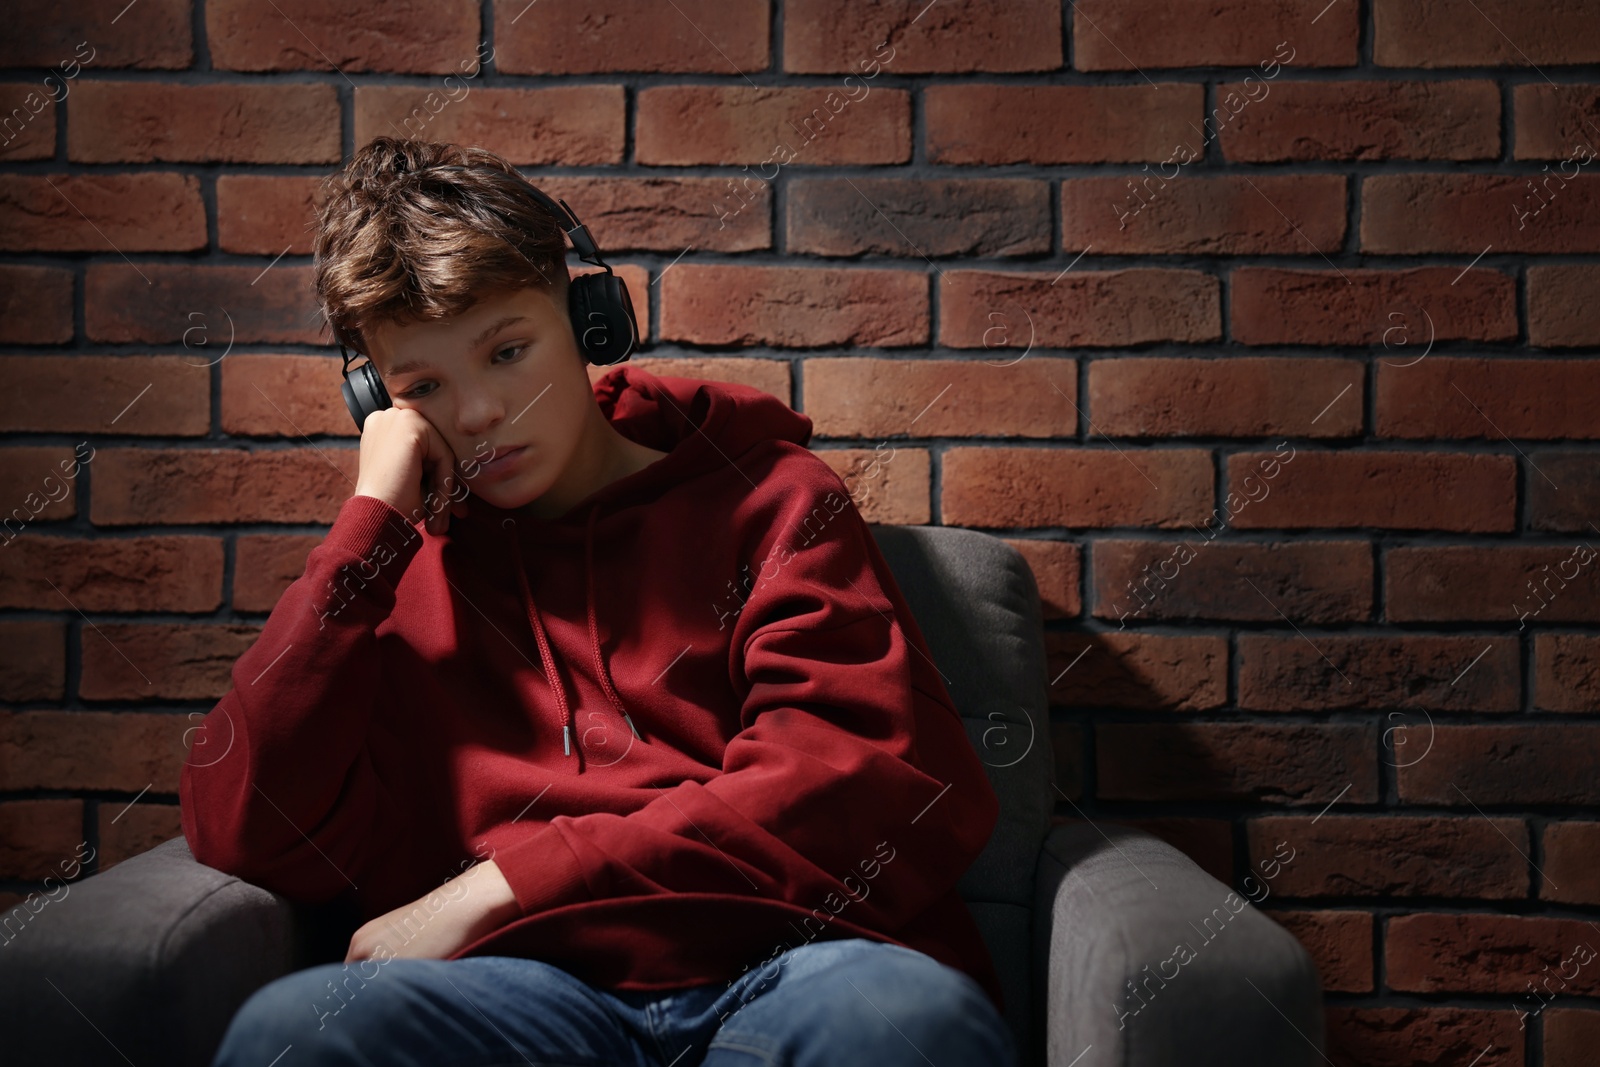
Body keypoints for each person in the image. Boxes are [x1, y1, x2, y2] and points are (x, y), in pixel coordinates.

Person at [180, 136, 1017, 1067]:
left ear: (590, 320)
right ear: (378, 399)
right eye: (424, 386)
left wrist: (505, 884)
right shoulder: (389, 575)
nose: (479, 413)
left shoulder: (775, 501)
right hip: (521, 993)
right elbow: (241, 822)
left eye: (508, 351)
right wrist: (367, 530)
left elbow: (853, 781)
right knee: (289, 1036)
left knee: (905, 1023)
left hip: (794, 962)